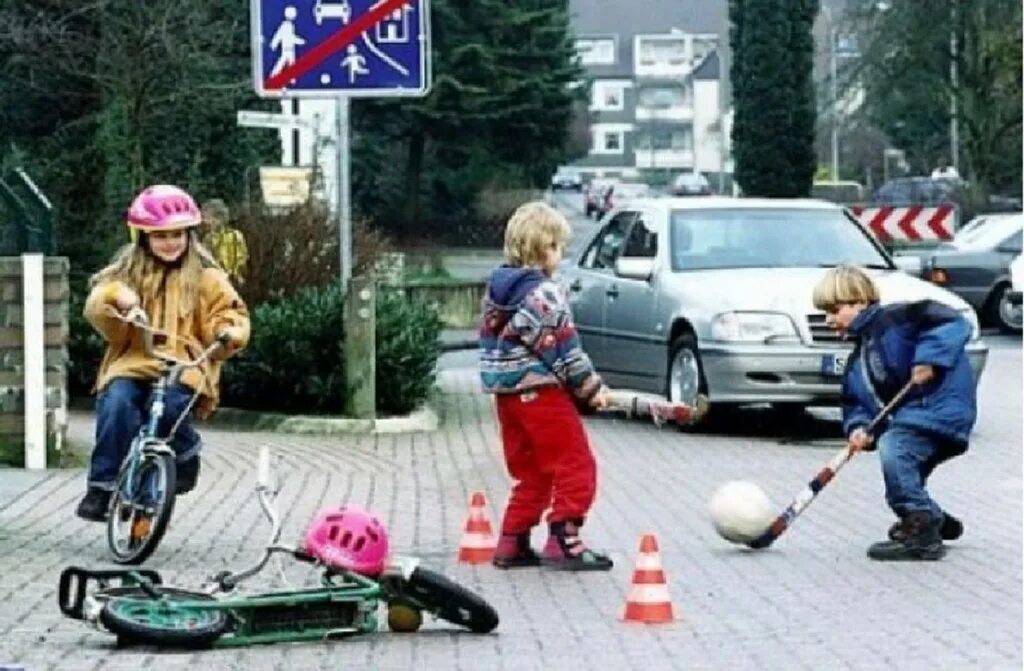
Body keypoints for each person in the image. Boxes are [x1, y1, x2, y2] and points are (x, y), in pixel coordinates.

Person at [76, 185, 250, 521]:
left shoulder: (207, 278)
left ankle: (185, 453)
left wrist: (227, 332)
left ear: (189, 236)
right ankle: (102, 486)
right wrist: (118, 299)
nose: (170, 243)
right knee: (117, 405)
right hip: (134, 361)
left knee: (170, 408)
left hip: (183, 364)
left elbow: (230, 313)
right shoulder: (127, 275)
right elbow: (98, 305)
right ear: (142, 237)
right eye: (160, 236)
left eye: (177, 235)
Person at [479, 201, 613, 571]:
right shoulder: (544, 295)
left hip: (507, 397)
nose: (560, 255)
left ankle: (512, 540)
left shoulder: (496, 292)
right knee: (575, 463)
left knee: (532, 471)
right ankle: (564, 538)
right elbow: (565, 350)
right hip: (541, 393)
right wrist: (591, 389)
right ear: (543, 248)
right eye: (557, 247)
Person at [812, 265, 975, 561]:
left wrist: (929, 358)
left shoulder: (899, 319)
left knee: (895, 450)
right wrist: (858, 428)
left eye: (834, 310)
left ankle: (923, 536)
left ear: (860, 301)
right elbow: (855, 403)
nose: (829, 320)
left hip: (940, 407)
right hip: (916, 417)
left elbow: (954, 322)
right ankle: (932, 519)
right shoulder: (856, 362)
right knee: (902, 478)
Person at [201, 198, 249, 286]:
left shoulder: (235, 236)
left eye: (207, 218)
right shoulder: (208, 238)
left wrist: (235, 274)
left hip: (232, 280)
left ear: (219, 219)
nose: (204, 222)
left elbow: (242, 258)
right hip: (214, 280)